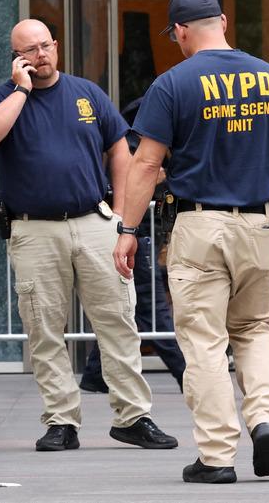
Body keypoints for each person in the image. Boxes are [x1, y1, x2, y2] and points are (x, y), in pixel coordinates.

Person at [110, 0, 269, 484]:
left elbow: (146, 162)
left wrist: (127, 229)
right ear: (225, 21)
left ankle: (216, 456)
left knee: (205, 342)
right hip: (261, 224)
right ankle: (266, 421)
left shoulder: (171, 84)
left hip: (199, 227)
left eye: (175, 36)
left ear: (183, 31)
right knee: (255, 328)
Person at [0, 18, 178, 453]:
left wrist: (123, 219)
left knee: (120, 323)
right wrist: (21, 91)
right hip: (33, 228)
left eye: (45, 46)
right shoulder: (1, 98)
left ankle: (134, 417)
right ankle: (61, 421)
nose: (40, 55)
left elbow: (121, 153)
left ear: (57, 46)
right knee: (45, 330)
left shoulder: (87, 93)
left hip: (94, 222)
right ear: (16, 57)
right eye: (29, 50)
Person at [80, 97, 186, 394]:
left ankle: (95, 373)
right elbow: (128, 189)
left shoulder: (136, 145)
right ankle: (185, 373)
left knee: (132, 309)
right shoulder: (132, 148)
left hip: (136, 235)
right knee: (152, 308)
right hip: (134, 237)